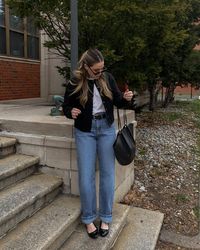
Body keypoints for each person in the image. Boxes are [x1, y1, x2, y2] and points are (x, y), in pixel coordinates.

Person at [63, 48, 133, 239]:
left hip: (106, 129)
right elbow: (66, 106)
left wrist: (127, 99)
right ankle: (88, 218)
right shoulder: (76, 81)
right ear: (86, 66)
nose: (100, 72)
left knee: (108, 174)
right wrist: (71, 112)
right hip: (85, 131)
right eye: (96, 70)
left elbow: (118, 101)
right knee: (86, 176)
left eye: (102, 68)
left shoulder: (107, 78)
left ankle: (105, 217)